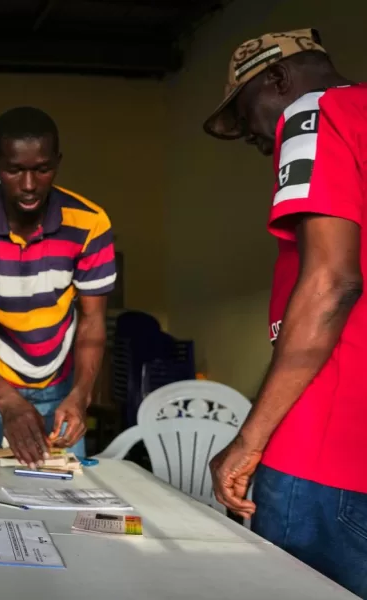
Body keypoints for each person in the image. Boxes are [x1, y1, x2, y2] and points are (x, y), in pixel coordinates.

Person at [204, 29, 367, 598]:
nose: (259, 140)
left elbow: (332, 284)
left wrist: (248, 443)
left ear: (277, 79)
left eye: (252, 120)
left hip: (323, 463)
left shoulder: (314, 112)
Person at [0, 106, 115, 467]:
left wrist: (81, 396)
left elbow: (93, 322)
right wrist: (5, 399)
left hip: (60, 383)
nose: (30, 184)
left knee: (64, 494)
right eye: (15, 170)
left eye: (42, 169)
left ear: (58, 163)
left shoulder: (90, 223)